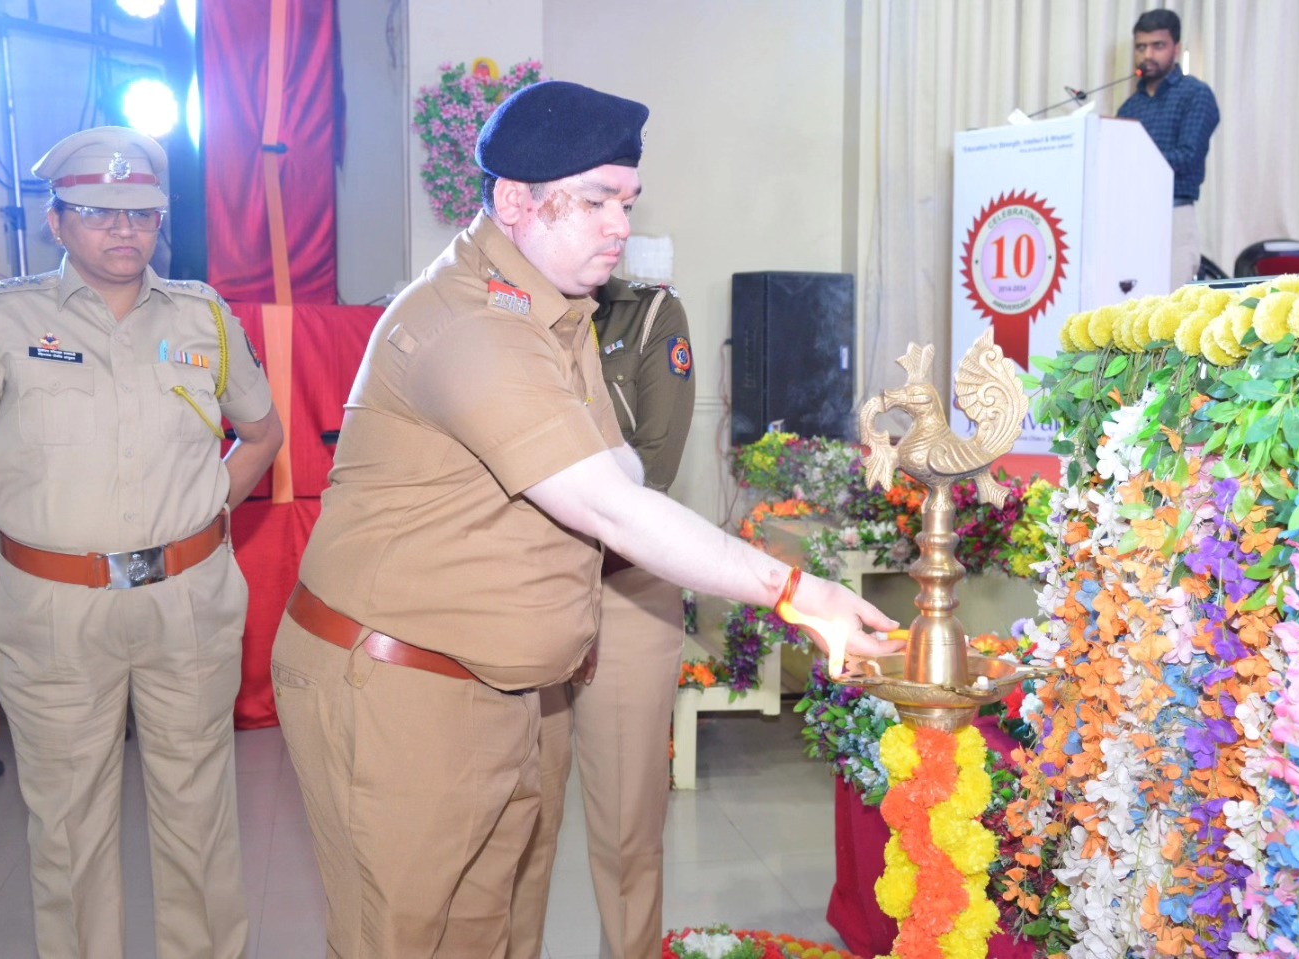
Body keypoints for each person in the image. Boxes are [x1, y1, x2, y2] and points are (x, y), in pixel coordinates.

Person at [270, 80, 902, 959]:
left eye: (628, 203)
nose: (620, 227)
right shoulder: (473, 326)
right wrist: (796, 591)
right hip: (399, 687)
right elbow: (612, 503)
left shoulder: (555, 315)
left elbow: (620, 470)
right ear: (515, 201)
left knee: (486, 934)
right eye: (598, 201)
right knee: (403, 939)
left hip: (492, 683)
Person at [0, 126, 283, 958]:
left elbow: (261, 433)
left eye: (141, 214)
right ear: (55, 221)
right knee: (68, 830)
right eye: (99, 213)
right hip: (52, 612)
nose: (124, 230)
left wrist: (205, 515)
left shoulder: (202, 314)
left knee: (200, 818)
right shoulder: (1, 320)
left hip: (187, 604)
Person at [507, 275, 695, 959]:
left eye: (620, 217)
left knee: (627, 833)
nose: (613, 227)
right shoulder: (492, 310)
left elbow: (653, 465)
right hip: (518, 594)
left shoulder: (646, 313)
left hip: (623, 589)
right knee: (516, 828)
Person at [1116, 8, 1220, 286]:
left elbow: (1187, 157)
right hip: (1131, 217)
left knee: (1170, 304)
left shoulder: (1195, 94)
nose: (1147, 55)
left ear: (1176, 49)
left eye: (1157, 46)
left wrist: (1135, 162)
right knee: (1130, 305)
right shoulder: (1129, 107)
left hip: (1173, 214)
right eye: (1141, 47)